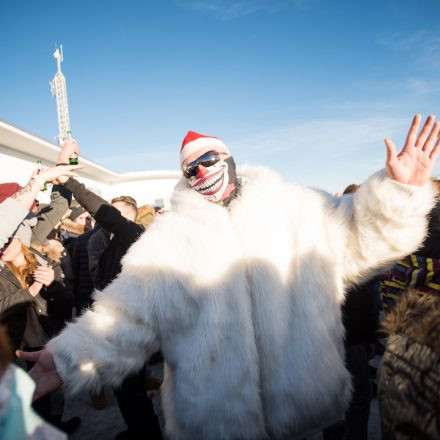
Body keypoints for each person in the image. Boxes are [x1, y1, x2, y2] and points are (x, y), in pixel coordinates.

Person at [18, 115, 440, 439]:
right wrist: (65, 357)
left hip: (302, 405)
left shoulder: (299, 209)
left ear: (229, 158)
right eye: (190, 169)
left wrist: (399, 194)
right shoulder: (169, 242)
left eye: (209, 159)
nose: (202, 171)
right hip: (217, 422)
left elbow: (364, 238)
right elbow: (124, 320)